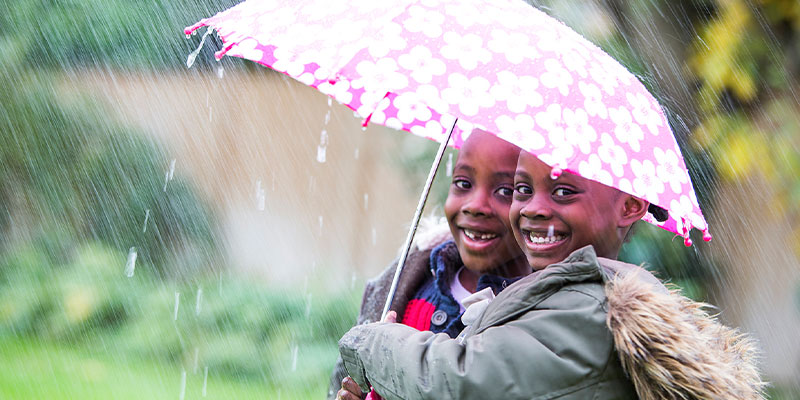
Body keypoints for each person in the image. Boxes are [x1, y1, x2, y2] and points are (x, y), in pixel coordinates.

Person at [337, 150, 765, 399]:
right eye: (522, 190)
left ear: (631, 206)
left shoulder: (590, 308)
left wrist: (370, 341)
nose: (534, 207)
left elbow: (461, 382)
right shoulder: (556, 295)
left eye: (563, 191)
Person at [328, 130, 531, 400]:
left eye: (505, 190)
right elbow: (342, 385)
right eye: (463, 182)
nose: (475, 205)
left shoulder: (541, 314)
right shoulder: (403, 288)